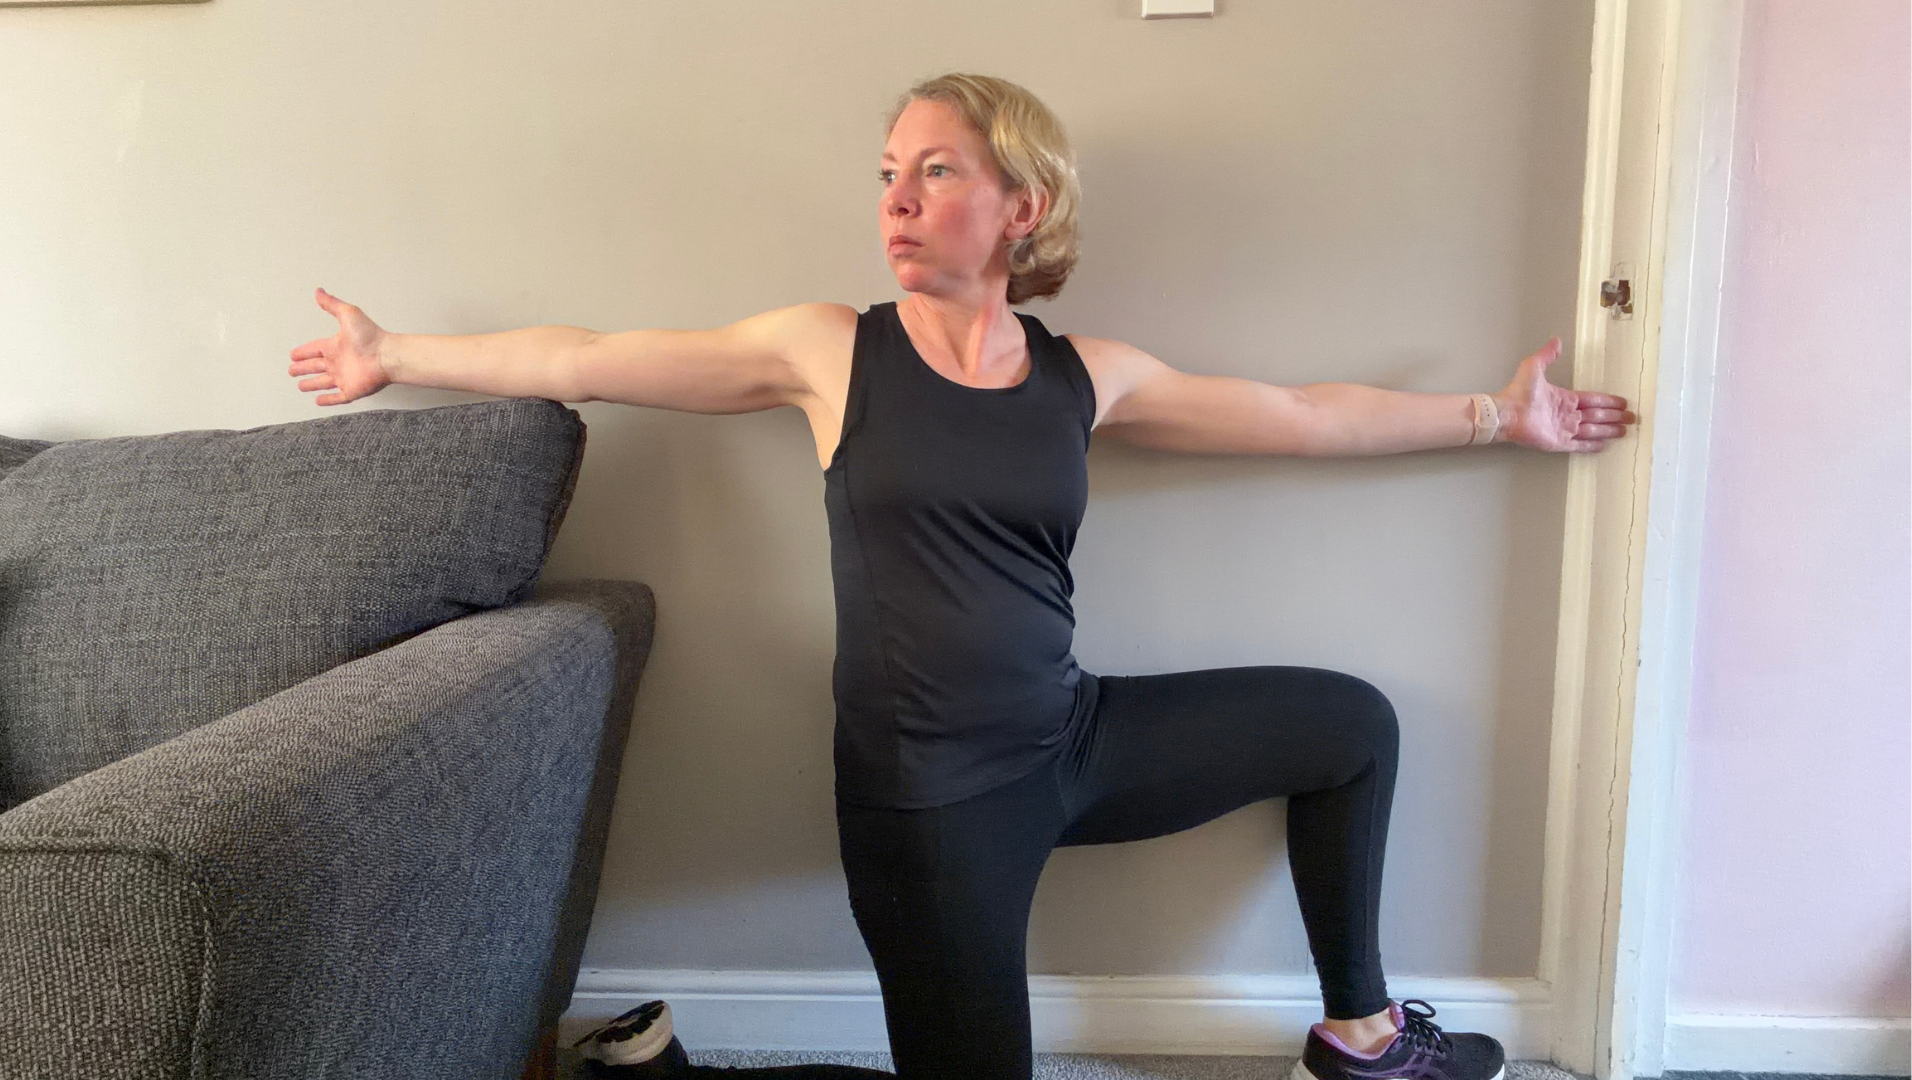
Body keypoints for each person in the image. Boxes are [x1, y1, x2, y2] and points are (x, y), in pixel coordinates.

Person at [288, 72, 1635, 1080]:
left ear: (1020, 206)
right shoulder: (830, 353)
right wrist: (397, 352)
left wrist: (1492, 418)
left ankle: (1360, 1034)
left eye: (934, 171)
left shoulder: (1084, 374)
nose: (894, 198)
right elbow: (592, 356)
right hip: (930, 804)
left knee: (1349, 726)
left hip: (1072, 737)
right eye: (888, 172)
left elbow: (1297, 414)